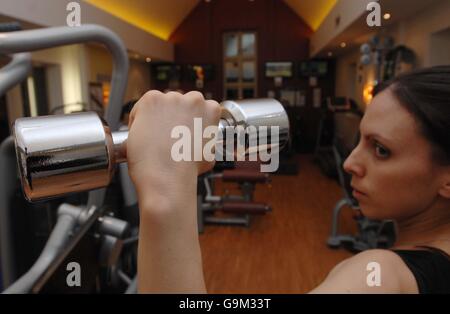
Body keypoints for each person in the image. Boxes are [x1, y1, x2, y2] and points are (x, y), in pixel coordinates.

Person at [126, 66, 450, 294]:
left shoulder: (380, 277)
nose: (351, 162)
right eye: (361, 140)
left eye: (381, 150)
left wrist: (165, 195)